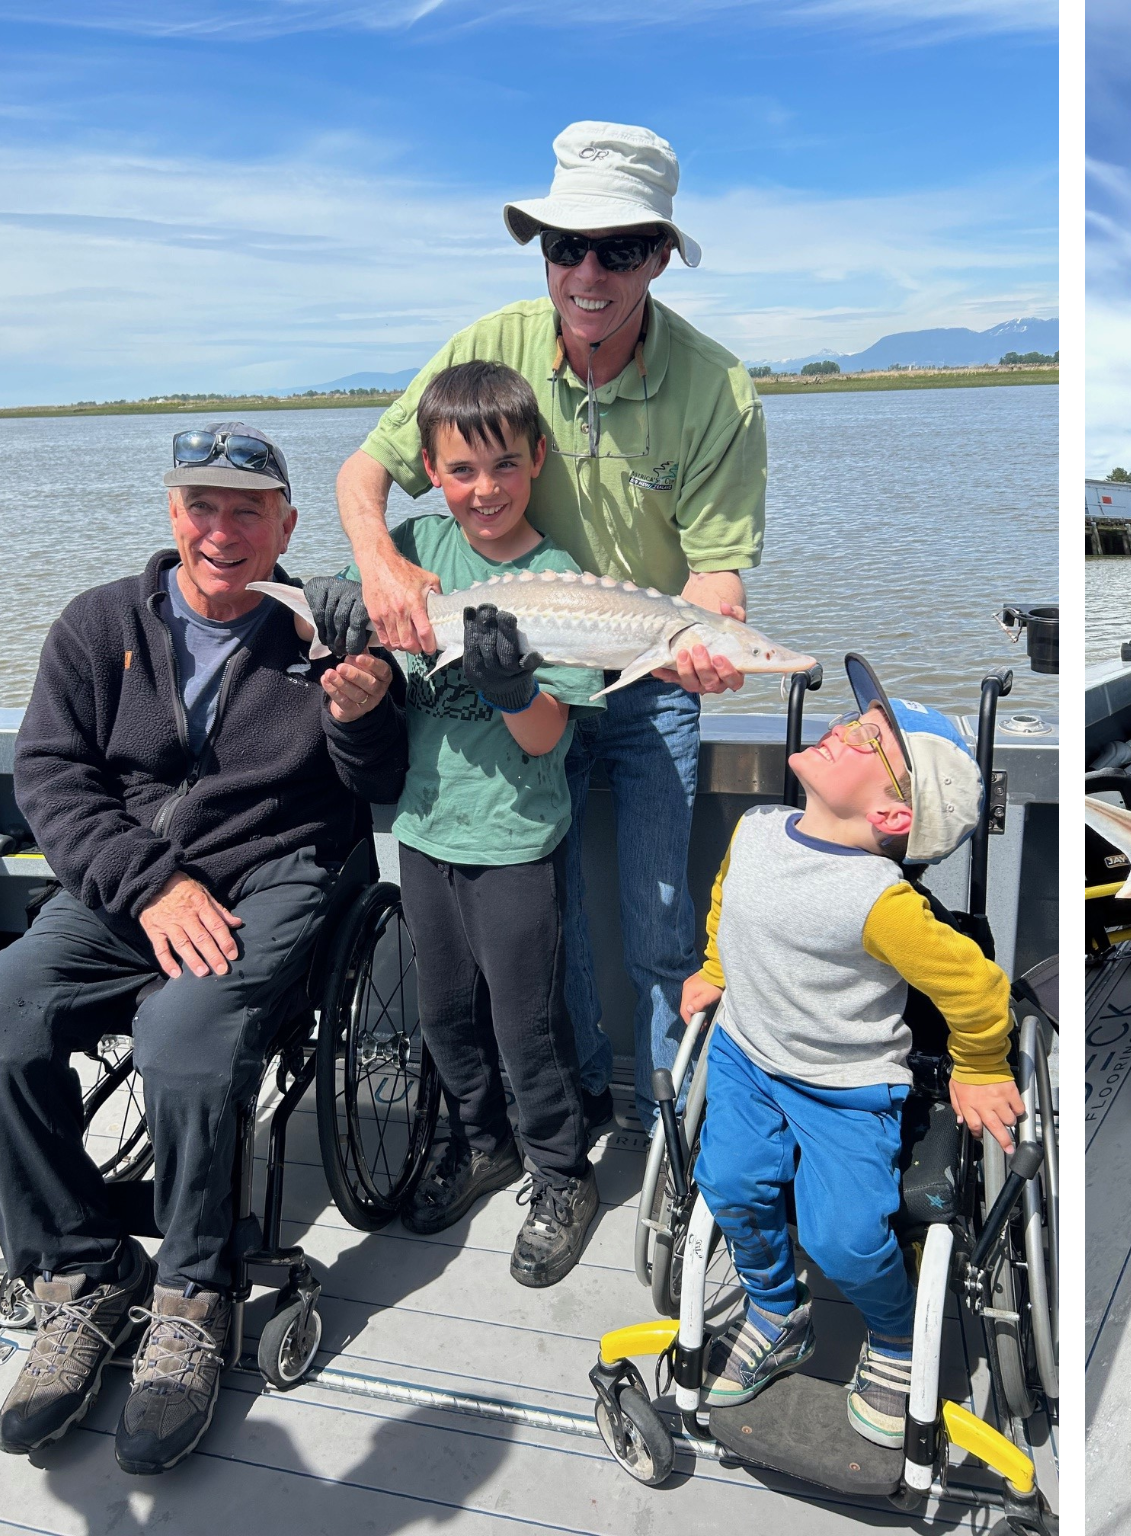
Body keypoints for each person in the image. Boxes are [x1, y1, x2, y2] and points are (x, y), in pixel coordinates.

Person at [337, 121, 768, 1138]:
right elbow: (366, 475)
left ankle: (674, 1133)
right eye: (564, 244)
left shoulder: (718, 388)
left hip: (646, 678)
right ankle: (570, 1119)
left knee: (664, 926)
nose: (587, 272)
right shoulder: (486, 348)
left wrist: (713, 641)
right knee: (556, 929)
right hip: (513, 671)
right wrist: (382, 565)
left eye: (619, 248)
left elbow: (715, 575)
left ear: (661, 255)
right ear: (540, 249)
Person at [0, 425, 405, 1473]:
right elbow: (51, 777)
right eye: (201, 506)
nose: (221, 531)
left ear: (287, 524)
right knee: (7, 1008)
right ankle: (81, 1275)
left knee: (184, 1038)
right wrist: (148, 884)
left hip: (278, 872)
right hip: (132, 878)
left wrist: (362, 711)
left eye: (247, 510)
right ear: (171, 511)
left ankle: (193, 1295)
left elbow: (382, 784)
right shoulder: (97, 623)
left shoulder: (329, 623)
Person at [680, 657, 1023, 1449]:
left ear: (896, 818)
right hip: (745, 1055)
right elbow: (730, 901)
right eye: (858, 722)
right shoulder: (757, 828)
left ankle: (898, 1338)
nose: (846, 728)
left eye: (873, 740)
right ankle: (775, 1308)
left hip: (843, 1086)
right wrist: (715, 968)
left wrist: (980, 1066)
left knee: (844, 1237)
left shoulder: (881, 902)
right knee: (725, 1180)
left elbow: (977, 990)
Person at [336, 361, 606, 1284]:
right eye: (460, 471)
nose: (483, 490)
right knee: (446, 1015)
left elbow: (545, 737)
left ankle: (563, 1172)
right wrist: (349, 633)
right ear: (430, 470)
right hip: (423, 831)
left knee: (524, 1023)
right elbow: (350, 615)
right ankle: (482, 1140)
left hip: (517, 842)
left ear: (536, 461)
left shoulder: (561, 578)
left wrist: (512, 686)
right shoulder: (412, 550)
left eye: (503, 468)